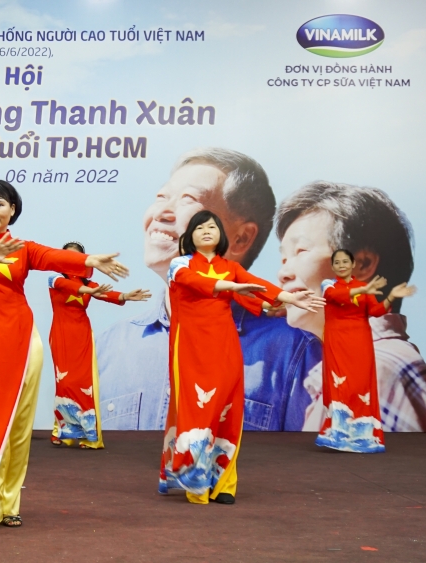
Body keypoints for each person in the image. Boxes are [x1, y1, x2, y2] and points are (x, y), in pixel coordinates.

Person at [0, 180, 129, 530]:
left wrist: (88, 260)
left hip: (23, 342)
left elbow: (52, 256)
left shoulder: (24, 248)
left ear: (12, 210)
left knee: (19, 427)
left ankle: (9, 504)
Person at [96, 148, 321, 432]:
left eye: (188, 199)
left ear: (241, 237)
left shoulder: (294, 351)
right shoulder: (108, 347)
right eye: (161, 196)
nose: (161, 213)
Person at [160, 210, 324, 505]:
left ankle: (224, 482)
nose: (207, 231)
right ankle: (196, 481)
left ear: (221, 235)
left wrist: (289, 297)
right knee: (199, 411)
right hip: (191, 348)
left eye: (212, 227)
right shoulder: (180, 264)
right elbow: (196, 282)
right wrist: (232, 287)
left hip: (225, 346)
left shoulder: (231, 267)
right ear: (190, 236)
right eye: (200, 227)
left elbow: (257, 285)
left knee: (228, 409)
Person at [275, 182, 426, 433]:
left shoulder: (373, 373)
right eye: (283, 258)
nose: (283, 273)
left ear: (361, 264)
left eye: (301, 251)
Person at [47, 241, 150, 449]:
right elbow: (69, 287)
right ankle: (63, 431)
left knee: (84, 385)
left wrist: (124, 296)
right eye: (68, 256)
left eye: (77, 257)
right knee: (64, 383)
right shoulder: (55, 278)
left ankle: (89, 436)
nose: (72, 260)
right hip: (60, 334)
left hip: (82, 334)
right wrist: (88, 290)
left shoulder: (88, 282)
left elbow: (105, 294)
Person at [315, 249, 417, 453]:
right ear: (333, 266)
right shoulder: (328, 285)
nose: (341, 265)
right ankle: (338, 433)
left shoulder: (363, 288)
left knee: (361, 386)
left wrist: (390, 297)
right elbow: (337, 296)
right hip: (337, 341)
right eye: (337, 262)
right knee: (340, 384)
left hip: (360, 341)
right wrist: (364, 289)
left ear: (353, 264)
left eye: (345, 261)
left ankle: (363, 436)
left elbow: (376, 311)